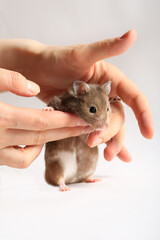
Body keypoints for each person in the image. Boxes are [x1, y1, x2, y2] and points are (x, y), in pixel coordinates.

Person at [0, 29, 154, 168]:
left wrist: (29, 62)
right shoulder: (74, 99)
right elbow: (58, 102)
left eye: (107, 109)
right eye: (93, 110)